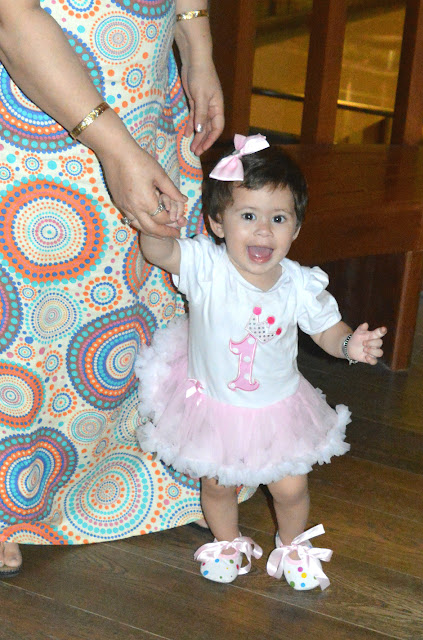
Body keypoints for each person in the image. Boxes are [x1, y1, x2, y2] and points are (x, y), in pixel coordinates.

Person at [0, 1, 256, 578]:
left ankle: (145, 475)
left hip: (143, 82)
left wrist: (197, 45)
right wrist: (114, 148)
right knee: (26, 306)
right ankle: (7, 499)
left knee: (139, 293)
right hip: (36, 98)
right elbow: (10, 22)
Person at [135, 134, 387, 590]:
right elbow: (159, 253)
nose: (263, 231)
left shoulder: (298, 284)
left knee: (289, 488)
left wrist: (350, 344)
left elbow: (326, 330)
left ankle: (292, 546)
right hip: (213, 405)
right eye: (248, 216)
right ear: (217, 222)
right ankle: (226, 542)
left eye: (278, 218)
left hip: (279, 408)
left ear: (296, 229)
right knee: (217, 485)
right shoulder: (206, 267)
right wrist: (157, 226)